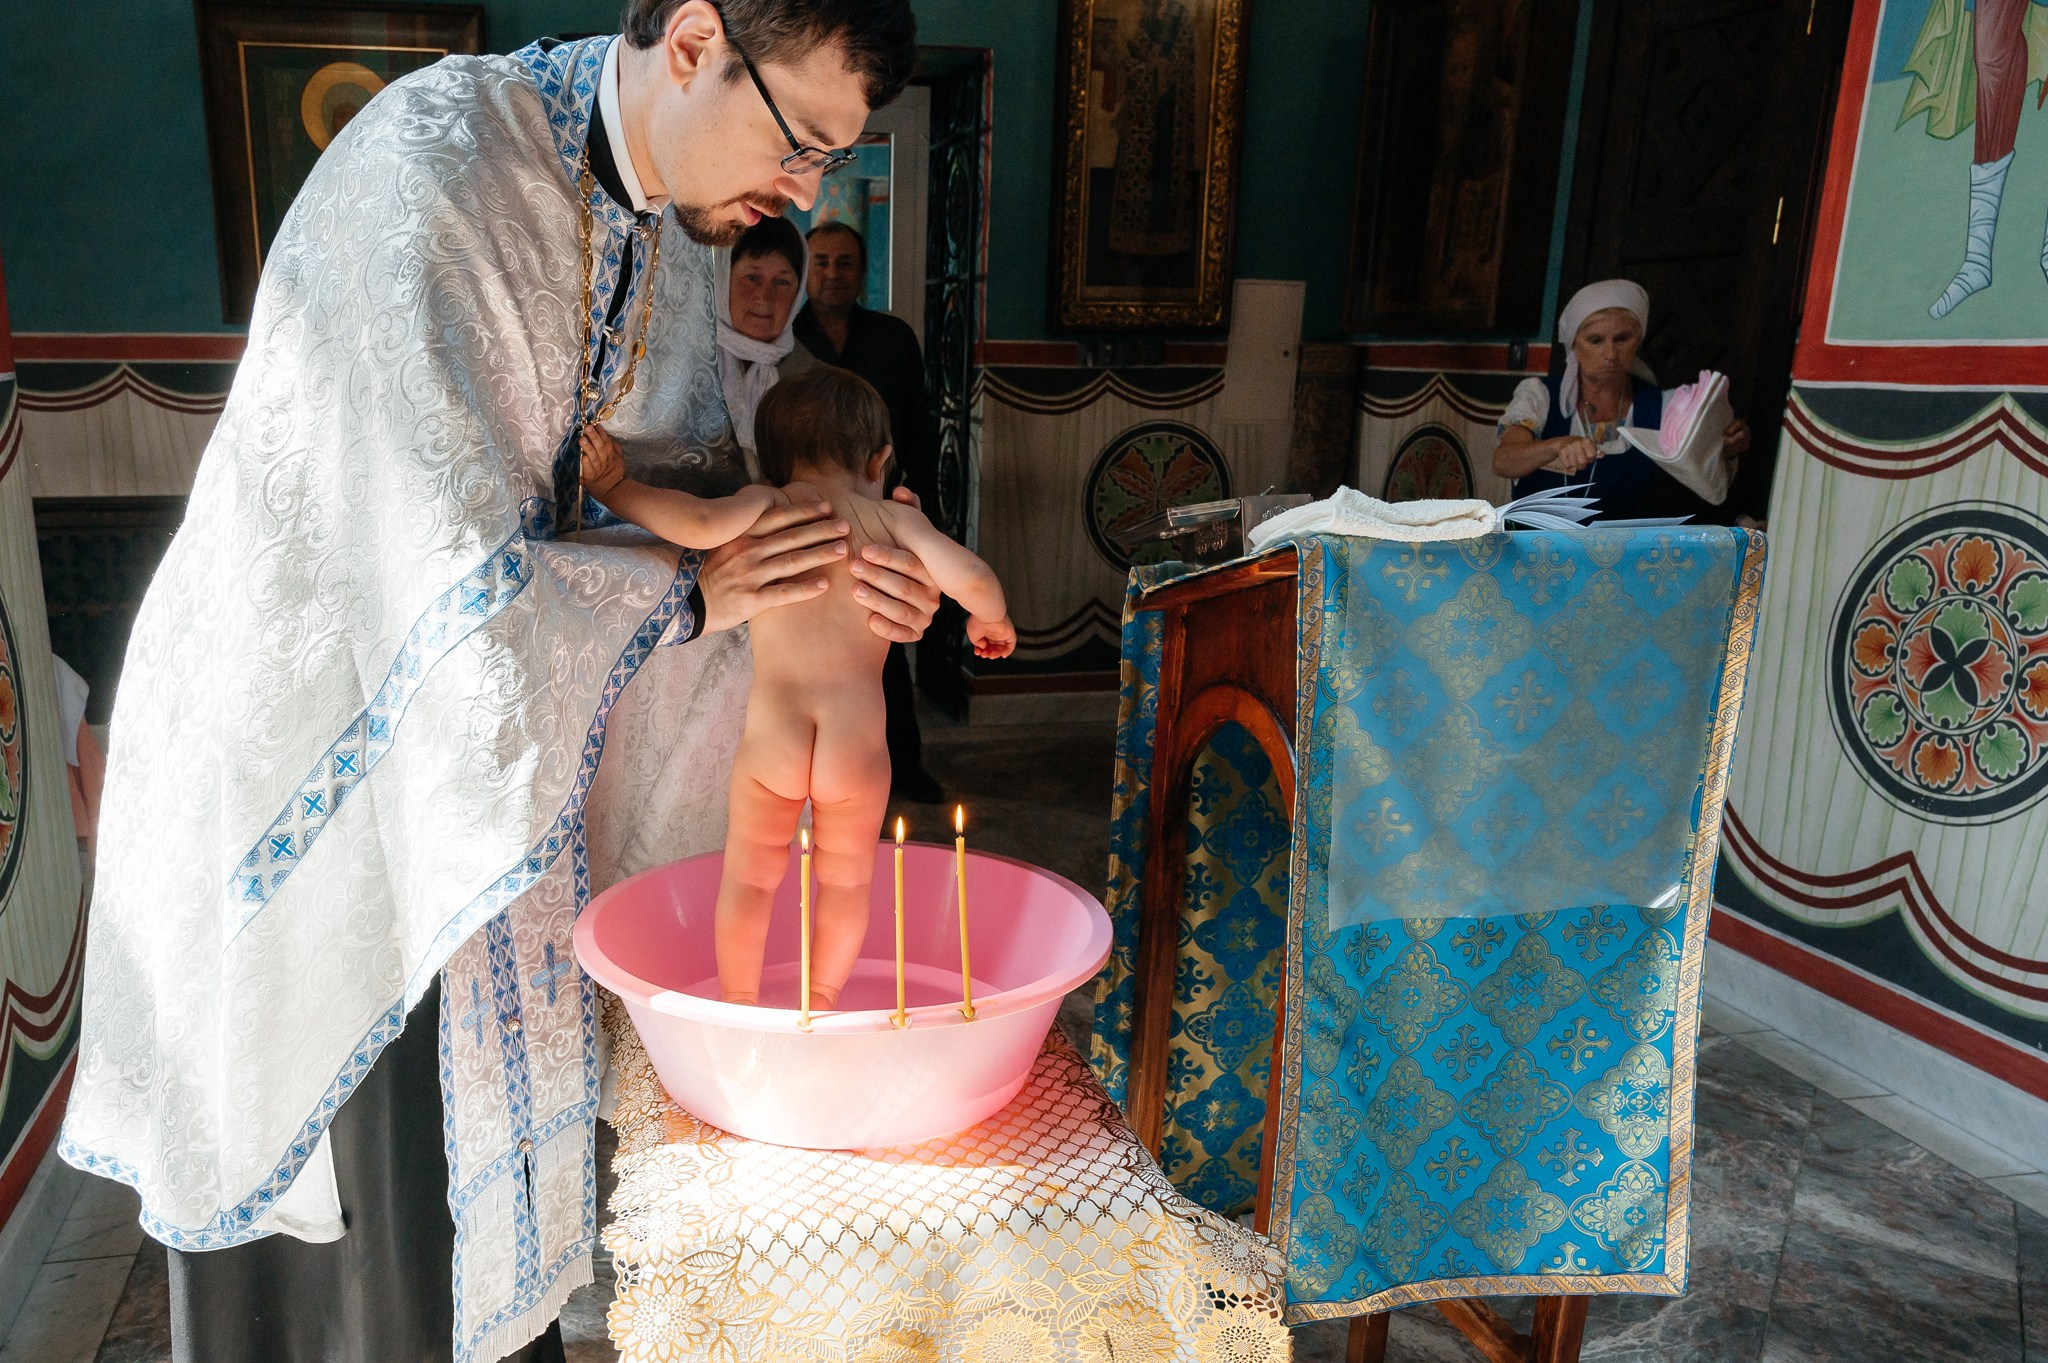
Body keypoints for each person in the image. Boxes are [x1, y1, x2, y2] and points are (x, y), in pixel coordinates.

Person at [59, 5, 929, 1363]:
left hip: (483, 791)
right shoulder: (436, 171)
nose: (806, 192)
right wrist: (700, 590)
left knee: (480, 1248)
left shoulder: (682, 224)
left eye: (833, 156)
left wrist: (826, 560)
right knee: (367, 1263)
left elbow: (671, 485)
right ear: (695, 37)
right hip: (326, 783)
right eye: (802, 139)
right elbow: (437, 602)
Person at [583, 368, 1014, 1007]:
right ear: (880, 460)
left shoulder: (767, 505)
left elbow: (696, 522)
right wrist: (990, 617)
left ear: (772, 460)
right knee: (843, 885)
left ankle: (740, 1001)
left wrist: (617, 486)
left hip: (773, 739)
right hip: (856, 746)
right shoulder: (893, 522)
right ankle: (822, 996)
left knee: (750, 881)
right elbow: (973, 576)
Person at [795, 221, 946, 802]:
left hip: (885, 509)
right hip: (812, 516)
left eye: (844, 263)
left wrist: (921, 502)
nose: (832, 273)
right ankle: (818, 779)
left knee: (887, 633)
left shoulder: (893, 339)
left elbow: (918, 425)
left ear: (862, 272)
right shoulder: (786, 336)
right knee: (822, 642)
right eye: (822, 262)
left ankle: (904, 766)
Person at [1492, 279, 1750, 522]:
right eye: (1595, 340)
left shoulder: (1661, 408)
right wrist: (1557, 445)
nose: (1610, 354)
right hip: (1535, 548)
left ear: (1638, 340)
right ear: (1573, 345)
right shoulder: (1540, 395)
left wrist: (1723, 449)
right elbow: (1504, 461)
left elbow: (1707, 482)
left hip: (1613, 553)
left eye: (1622, 339)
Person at [717, 214, 819, 476]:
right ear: (723, 278)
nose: (764, 297)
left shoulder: (816, 385)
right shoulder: (684, 364)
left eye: (782, 282)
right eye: (752, 277)